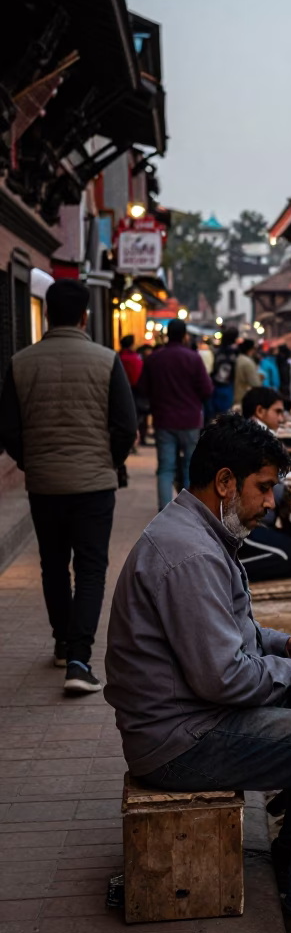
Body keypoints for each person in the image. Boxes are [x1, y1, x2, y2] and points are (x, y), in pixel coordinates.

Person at [104, 414, 291, 933]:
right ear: (226, 482)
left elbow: (239, 632)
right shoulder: (190, 554)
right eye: (263, 487)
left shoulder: (202, 533)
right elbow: (224, 679)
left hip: (194, 714)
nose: (270, 503)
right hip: (181, 739)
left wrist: (287, 646)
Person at [0, 279, 136, 694]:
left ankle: (63, 642)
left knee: (53, 564)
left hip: (44, 484)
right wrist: (108, 462)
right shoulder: (105, 359)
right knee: (91, 568)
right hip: (93, 483)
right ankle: (79, 659)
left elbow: (8, 428)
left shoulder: (20, 362)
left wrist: (30, 461)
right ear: (84, 316)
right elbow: (126, 425)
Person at [137, 318, 214, 511]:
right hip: (190, 419)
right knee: (190, 466)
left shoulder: (154, 358)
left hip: (163, 419)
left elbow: (142, 389)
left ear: (166, 335)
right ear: (185, 336)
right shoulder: (193, 358)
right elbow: (206, 389)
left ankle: (165, 513)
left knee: (165, 469)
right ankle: (189, 513)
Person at [238, 388, 291, 581]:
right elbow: (273, 490)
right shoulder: (255, 441)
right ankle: (220, 572)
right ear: (260, 411)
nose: (282, 418)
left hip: (256, 523)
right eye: (278, 412)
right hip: (244, 527)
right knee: (290, 554)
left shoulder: (260, 437)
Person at [207, 327, 238, 422]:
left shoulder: (217, 352)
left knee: (215, 416)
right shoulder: (234, 353)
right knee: (224, 416)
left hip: (215, 385)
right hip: (226, 387)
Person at [233, 338, 262, 406]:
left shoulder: (238, 358)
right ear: (251, 349)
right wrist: (260, 378)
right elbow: (255, 383)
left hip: (236, 394)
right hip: (244, 396)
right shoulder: (248, 362)